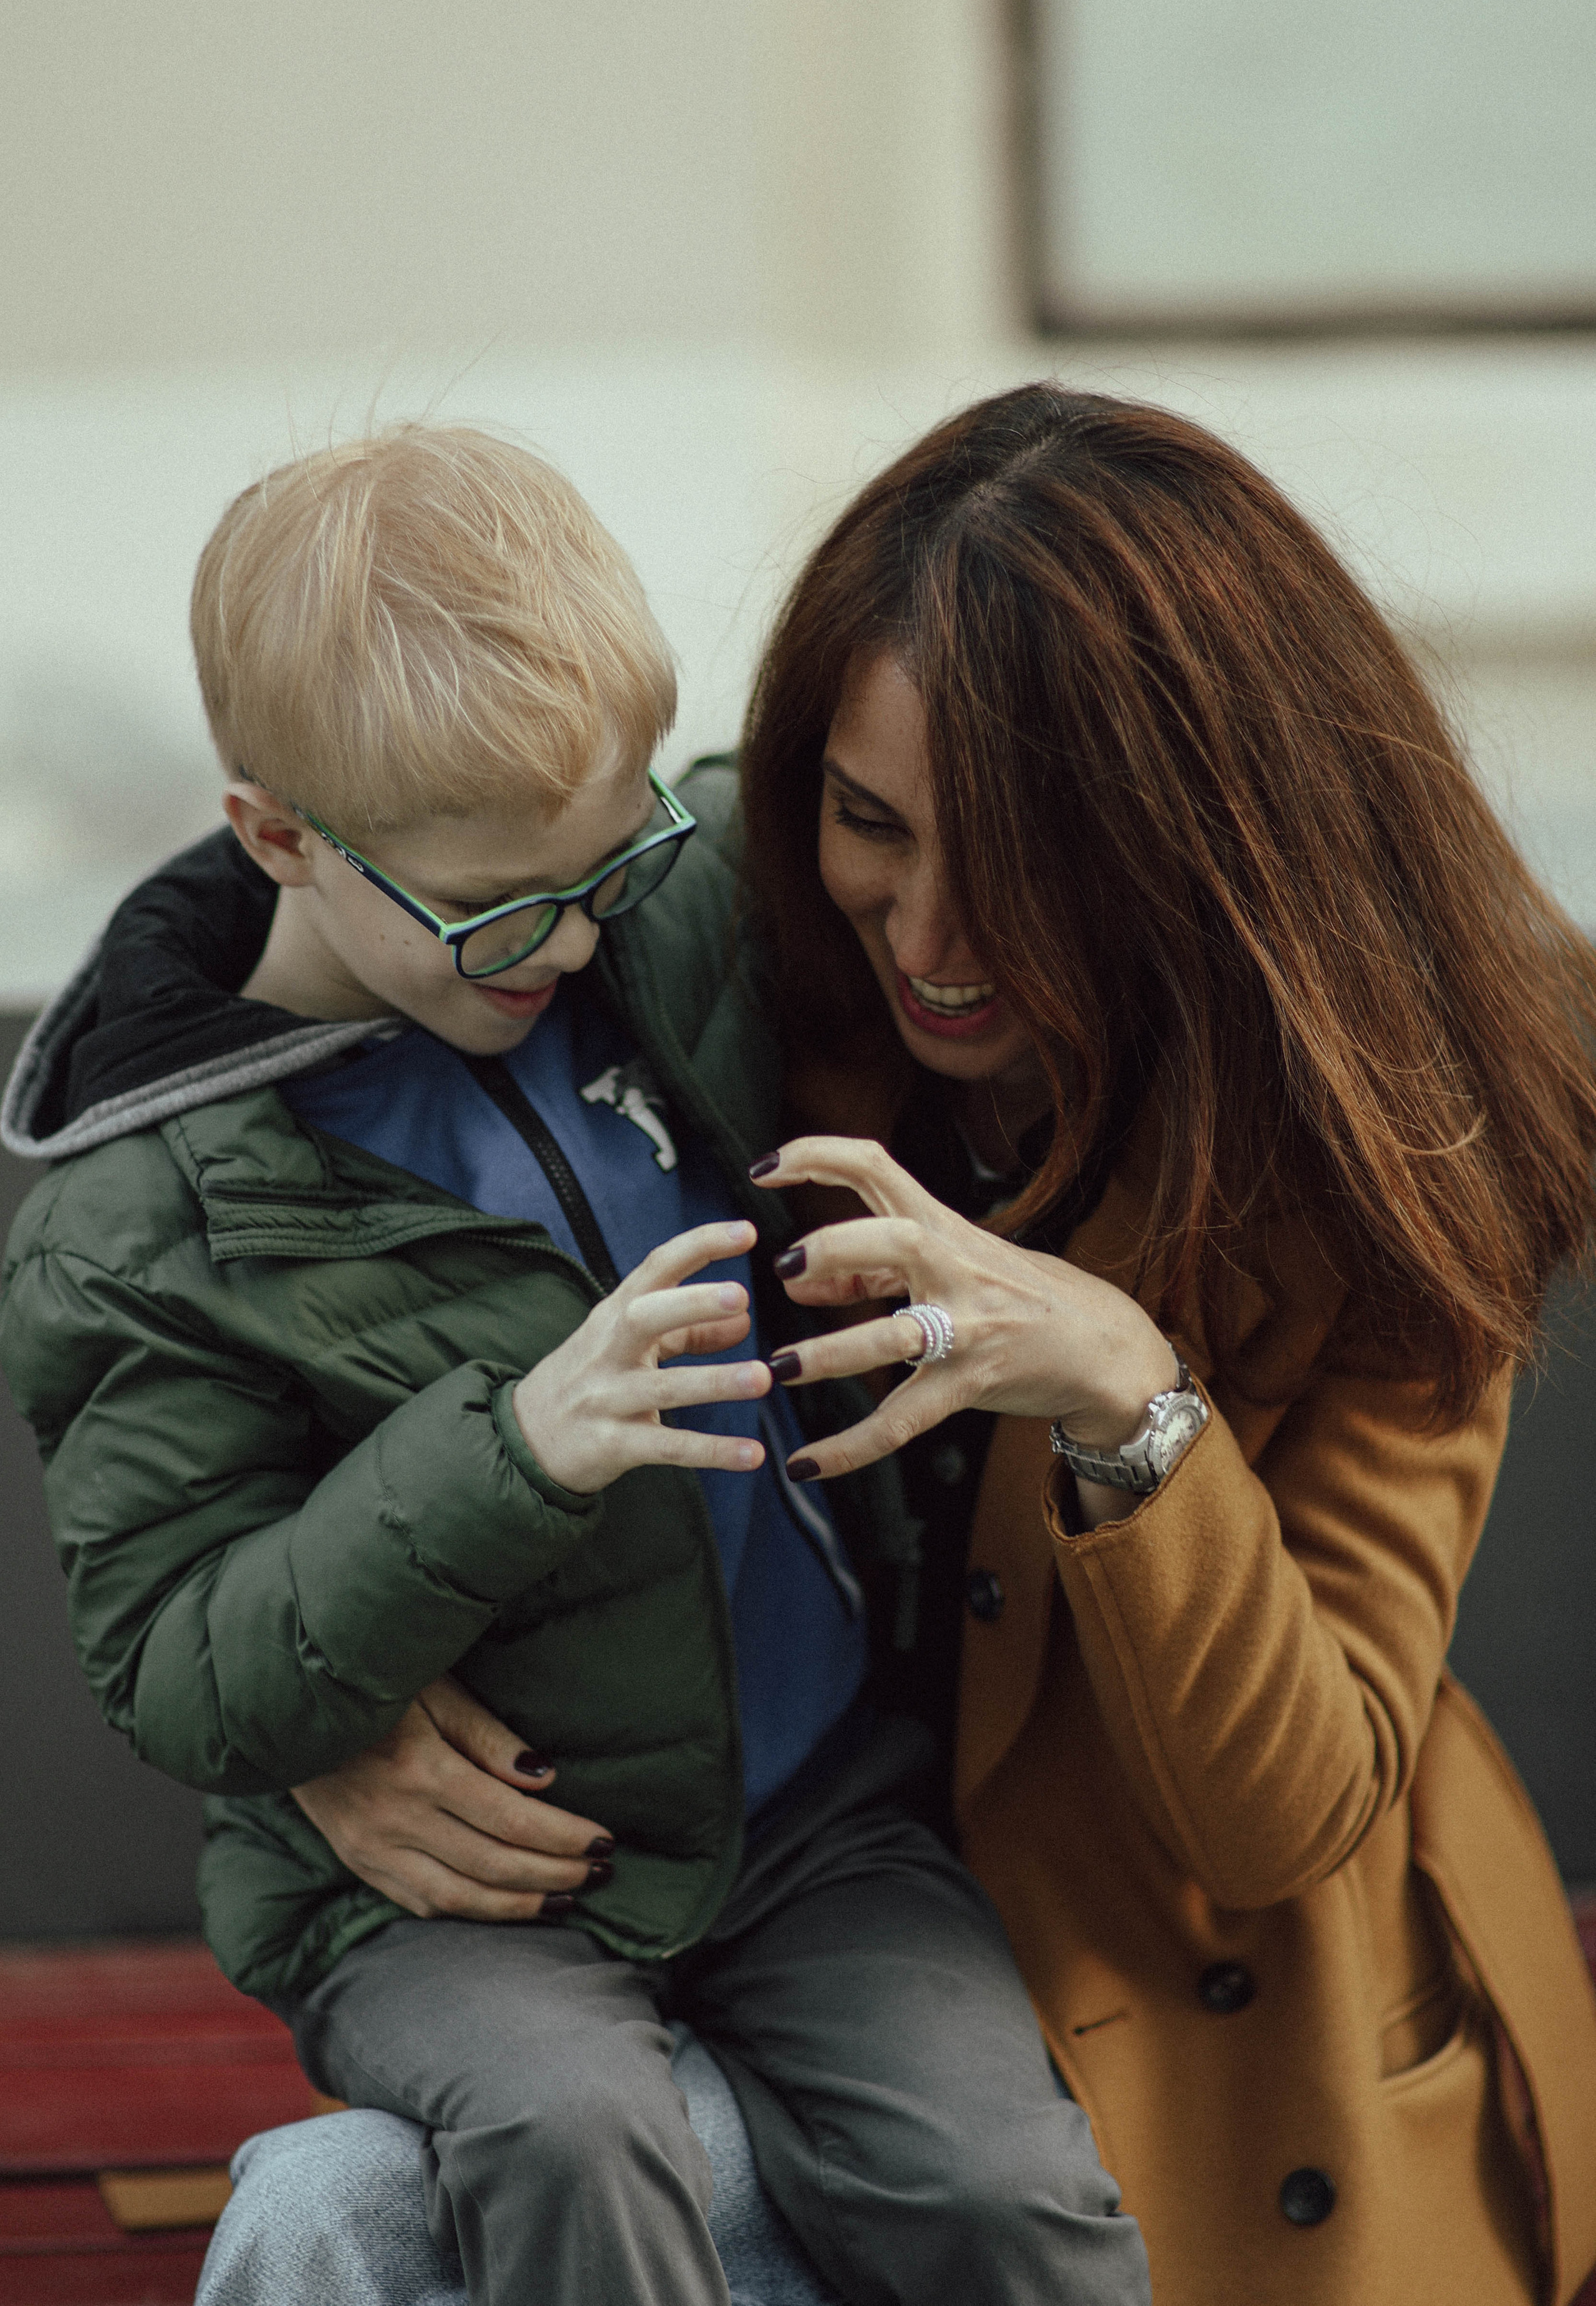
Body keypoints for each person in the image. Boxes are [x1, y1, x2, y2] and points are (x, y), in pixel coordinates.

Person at [214, 385, 1596, 2306]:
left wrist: (1127, 1396)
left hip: (1187, 2061)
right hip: (747, 1928)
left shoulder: (1386, 1157)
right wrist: (320, 1731)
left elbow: (1282, 1820)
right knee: (330, 2216)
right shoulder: (721, 949)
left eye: (1028, 867)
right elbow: (338, 881)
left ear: (1204, 847)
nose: (931, 938)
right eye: (872, 820)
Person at [0, 425, 1149, 2306]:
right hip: (464, 1890)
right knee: (573, 2141)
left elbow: (823, 798)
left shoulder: (656, 922)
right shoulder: (141, 1226)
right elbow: (176, 1663)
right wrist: (515, 1449)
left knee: (1006, 2187)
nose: (576, 934)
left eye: (609, 860)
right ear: (277, 837)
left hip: (814, 1807)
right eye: (498, 907)